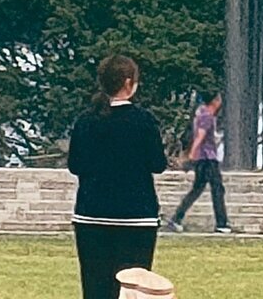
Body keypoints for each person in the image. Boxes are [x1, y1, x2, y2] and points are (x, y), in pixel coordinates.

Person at [67, 54, 169, 299]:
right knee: (133, 291)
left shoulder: (86, 121)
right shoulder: (143, 121)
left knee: (95, 289)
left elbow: (75, 166)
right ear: (128, 82)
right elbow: (158, 164)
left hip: (91, 215)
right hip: (136, 217)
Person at [164, 91, 230, 233]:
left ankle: (177, 218)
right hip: (207, 158)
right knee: (217, 189)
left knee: (198, 189)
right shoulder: (206, 115)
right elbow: (200, 135)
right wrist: (193, 152)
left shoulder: (201, 114)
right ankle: (222, 223)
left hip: (204, 157)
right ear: (214, 100)